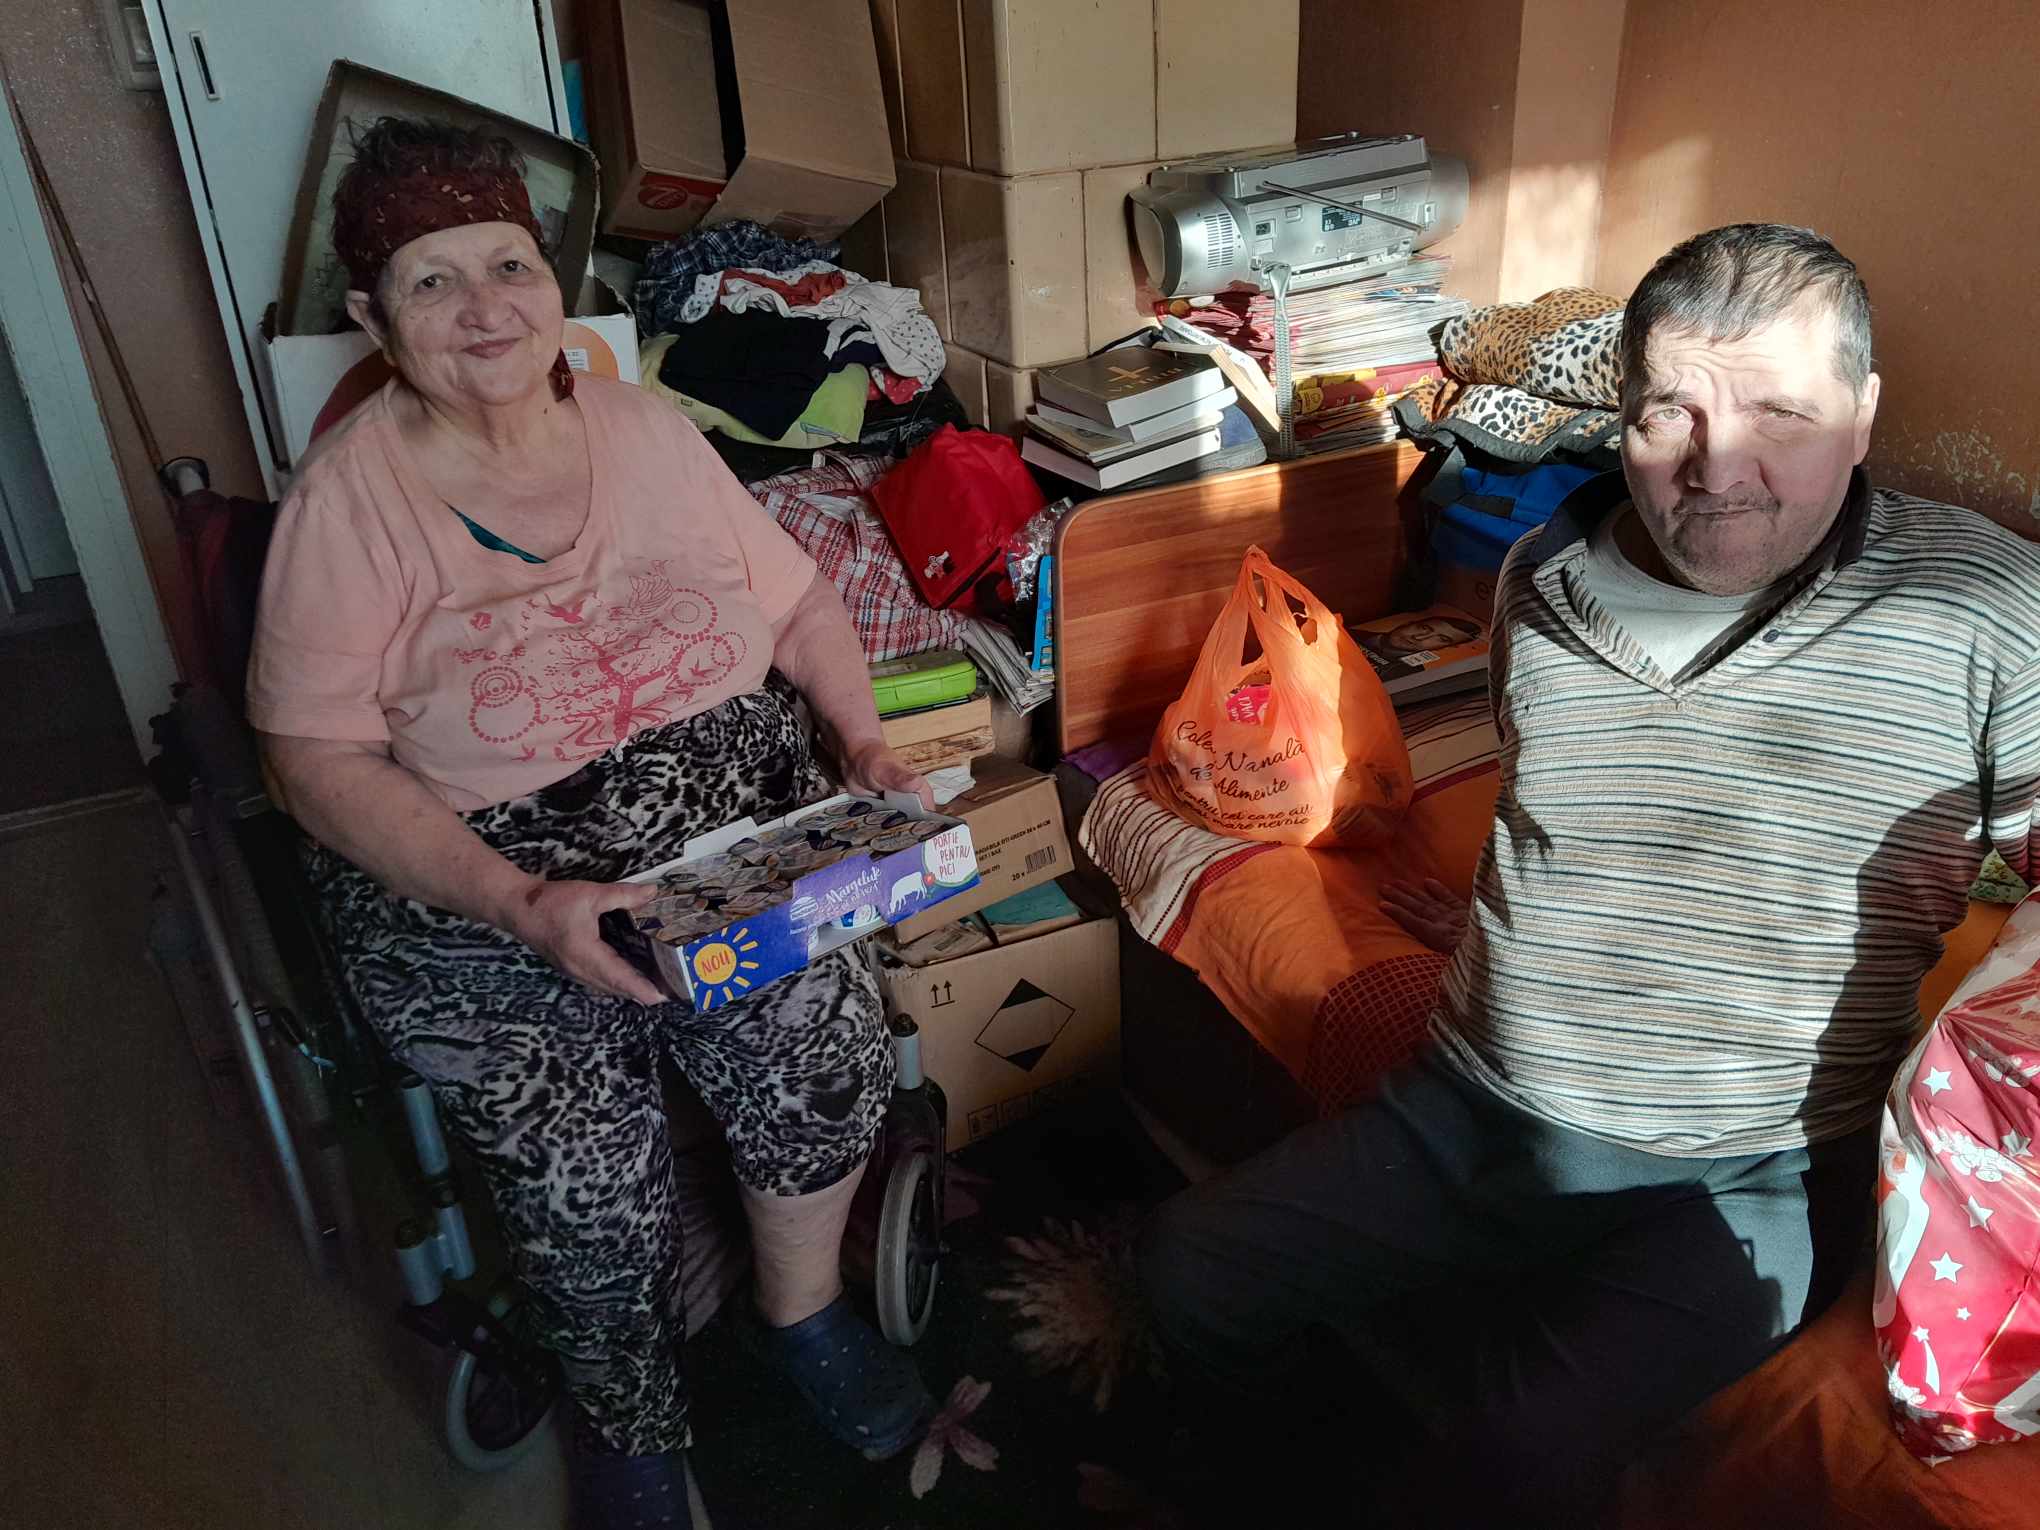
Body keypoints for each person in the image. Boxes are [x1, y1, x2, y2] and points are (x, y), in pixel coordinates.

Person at [1138, 223, 2040, 1524]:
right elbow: (1568, 809)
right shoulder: (1543, 579)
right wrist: (1499, 921)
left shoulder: (1989, 615)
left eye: (1779, 412)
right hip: (1472, 1108)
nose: (1716, 467)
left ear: (1862, 416)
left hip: (1751, 1167)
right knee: (1185, 1269)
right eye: (1670, 410)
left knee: (1515, 1455)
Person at [248, 118, 930, 1529]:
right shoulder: (345, 501)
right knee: (585, 1173)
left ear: (553, 284)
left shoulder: (645, 427)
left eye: (509, 265)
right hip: (491, 894)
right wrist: (517, 902)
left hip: (725, 838)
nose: (484, 308)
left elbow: (801, 603)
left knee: (824, 1052)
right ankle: (629, 1420)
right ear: (374, 319)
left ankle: (802, 1314)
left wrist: (862, 739)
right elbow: (310, 758)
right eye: (433, 282)